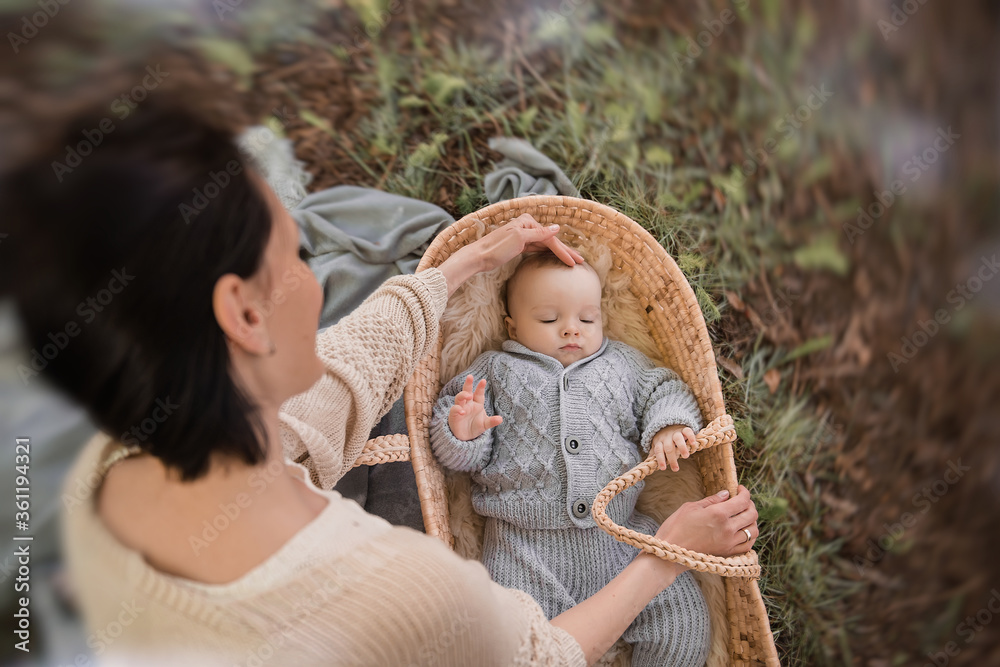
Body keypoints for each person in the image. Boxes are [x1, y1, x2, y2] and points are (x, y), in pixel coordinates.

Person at [0, 100, 759, 666]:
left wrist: (455, 268)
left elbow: (339, 379)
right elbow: (541, 656)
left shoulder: (108, 470)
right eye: (297, 255)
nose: (315, 283)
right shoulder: (398, 592)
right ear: (241, 312)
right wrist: (667, 553)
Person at [429, 254, 730, 666]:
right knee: (507, 640)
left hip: (623, 540)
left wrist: (667, 427)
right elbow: (454, 454)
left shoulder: (621, 364)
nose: (571, 329)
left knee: (682, 621)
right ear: (512, 324)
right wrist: (465, 430)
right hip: (524, 551)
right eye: (549, 319)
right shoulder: (495, 370)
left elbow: (664, 388)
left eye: (587, 319)